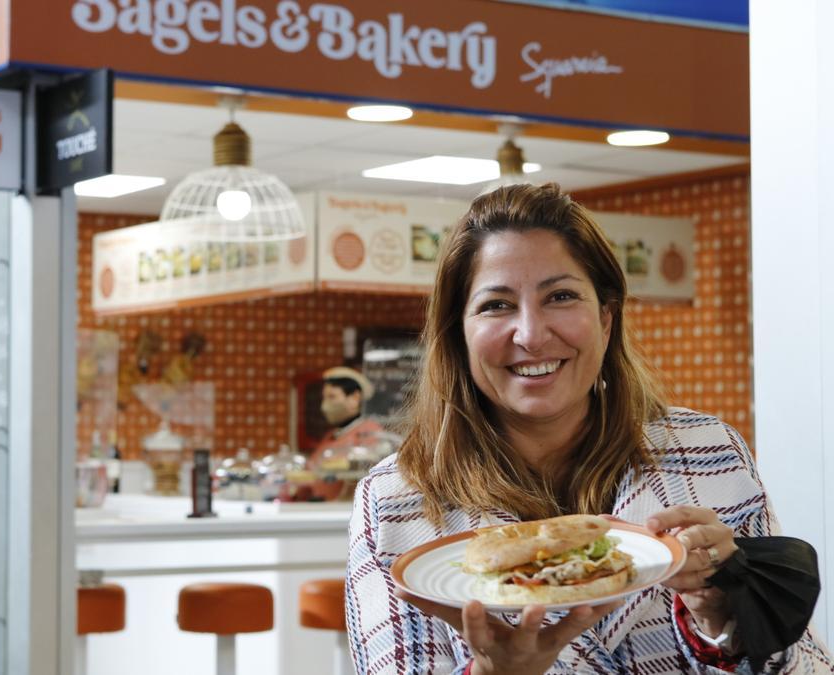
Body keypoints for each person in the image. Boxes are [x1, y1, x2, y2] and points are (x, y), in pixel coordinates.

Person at [345, 183, 832, 674]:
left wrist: (727, 624)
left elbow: (808, 666)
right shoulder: (394, 501)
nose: (532, 335)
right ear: (459, 333)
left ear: (605, 318)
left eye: (560, 296)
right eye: (496, 305)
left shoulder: (708, 453)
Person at [314, 366, 384, 467]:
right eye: (324, 398)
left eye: (332, 397)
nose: (324, 406)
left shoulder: (369, 432)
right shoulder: (333, 434)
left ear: (355, 398)